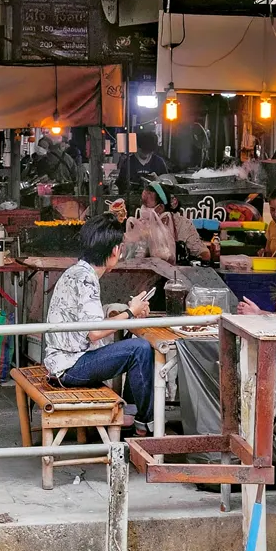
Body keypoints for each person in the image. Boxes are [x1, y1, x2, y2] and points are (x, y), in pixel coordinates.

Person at [43, 221, 155, 427]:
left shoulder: (77, 271)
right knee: (140, 348)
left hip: (63, 362)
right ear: (115, 250)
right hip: (70, 367)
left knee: (135, 345)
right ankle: (146, 423)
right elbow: (95, 331)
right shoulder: (86, 279)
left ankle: (131, 413)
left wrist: (131, 313)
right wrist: (131, 312)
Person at [133, 182, 214, 263]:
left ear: (160, 208)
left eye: (146, 205)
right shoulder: (141, 225)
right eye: (142, 204)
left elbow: (204, 254)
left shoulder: (183, 225)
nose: (143, 208)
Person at [116, 132, 168, 198]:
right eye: (143, 151)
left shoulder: (159, 162)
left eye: (149, 152)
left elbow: (167, 187)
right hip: (132, 199)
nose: (147, 155)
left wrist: (158, 180)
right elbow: (121, 187)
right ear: (137, 147)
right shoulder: (128, 162)